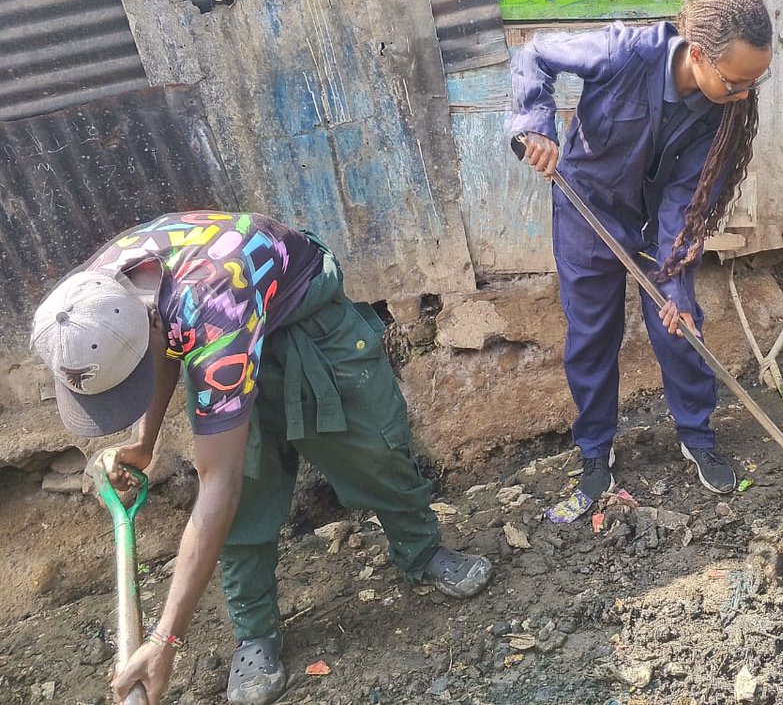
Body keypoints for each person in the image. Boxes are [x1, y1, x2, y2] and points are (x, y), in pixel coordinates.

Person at [29, 211, 492, 705]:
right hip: (215, 328)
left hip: (306, 325)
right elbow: (159, 346)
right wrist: (145, 445)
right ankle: (255, 632)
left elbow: (215, 485)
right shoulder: (90, 299)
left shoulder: (211, 309)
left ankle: (421, 552)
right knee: (249, 495)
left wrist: (164, 641)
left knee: (375, 450)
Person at [507, 0, 774, 505]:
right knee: (591, 334)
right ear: (698, 54)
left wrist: (674, 282)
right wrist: (535, 126)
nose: (746, 94)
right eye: (737, 82)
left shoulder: (723, 113)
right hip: (587, 211)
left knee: (679, 325)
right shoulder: (624, 51)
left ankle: (698, 436)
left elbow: (687, 198)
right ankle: (594, 449)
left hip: (657, 226)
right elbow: (534, 53)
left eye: (754, 82)